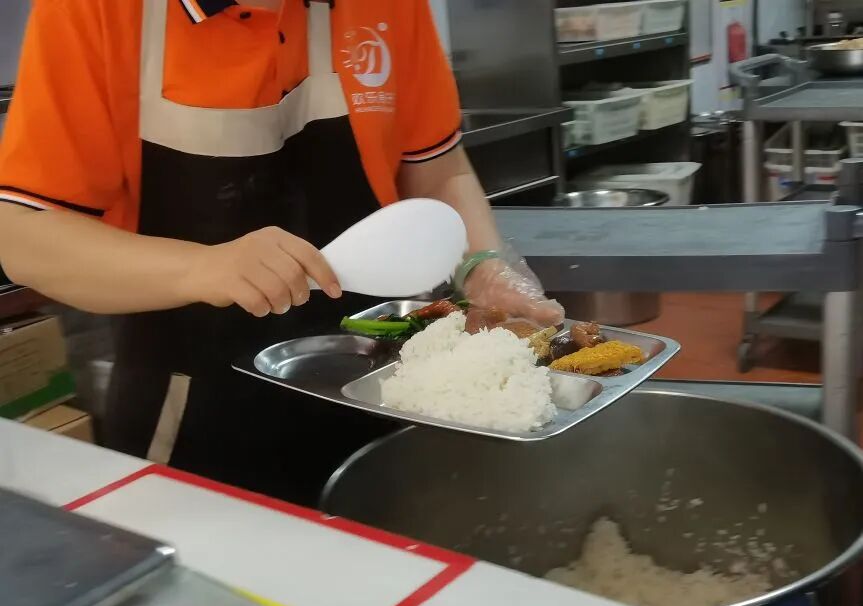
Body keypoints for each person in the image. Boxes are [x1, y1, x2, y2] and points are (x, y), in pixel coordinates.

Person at [0, 0, 563, 505]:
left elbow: (435, 166)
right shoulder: (95, 10)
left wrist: (482, 265)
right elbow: (23, 235)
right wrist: (202, 267)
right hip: (191, 405)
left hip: (383, 385)